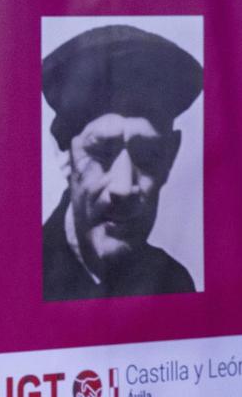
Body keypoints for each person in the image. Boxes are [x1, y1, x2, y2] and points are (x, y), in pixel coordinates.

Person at [41, 24, 202, 300]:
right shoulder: (16, 281)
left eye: (148, 155)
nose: (124, 187)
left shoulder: (175, 285)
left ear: (171, 156)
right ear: (63, 153)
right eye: (102, 154)